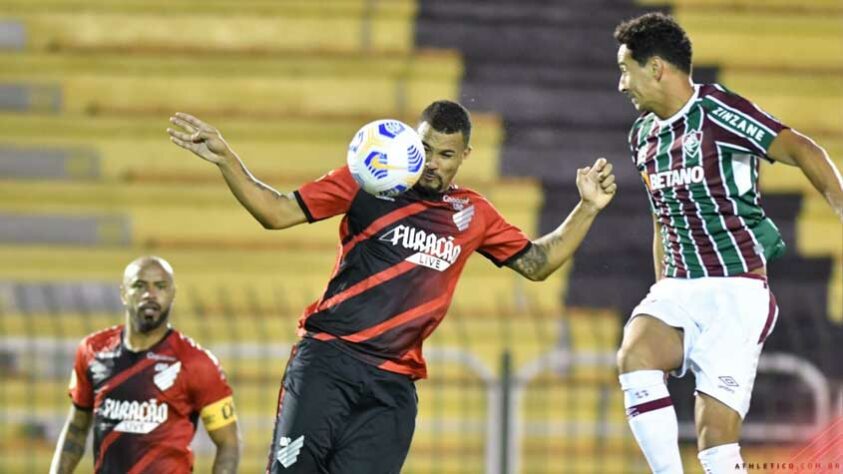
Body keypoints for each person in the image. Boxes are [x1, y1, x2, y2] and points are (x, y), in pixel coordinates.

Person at [167, 100, 617, 473]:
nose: (432, 163)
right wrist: (227, 158)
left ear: (464, 157)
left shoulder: (472, 213)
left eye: (446, 154)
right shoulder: (368, 179)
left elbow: (538, 264)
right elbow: (277, 212)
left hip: (393, 385)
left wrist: (588, 209)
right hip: (328, 361)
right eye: (424, 148)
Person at [613, 12, 843, 474]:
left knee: (715, 440)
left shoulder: (720, 111)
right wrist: (663, 289)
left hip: (736, 290)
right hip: (679, 287)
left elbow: (802, 149)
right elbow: (662, 216)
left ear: (656, 68)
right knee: (634, 354)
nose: (622, 85)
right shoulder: (641, 136)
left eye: (626, 69)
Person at [49, 256, 241, 474]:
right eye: (139, 285)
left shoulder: (197, 362)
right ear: (123, 293)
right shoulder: (93, 351)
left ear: (172, 294)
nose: (150, 294)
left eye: (160, 286)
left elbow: (228, 443)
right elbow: (76, 428)